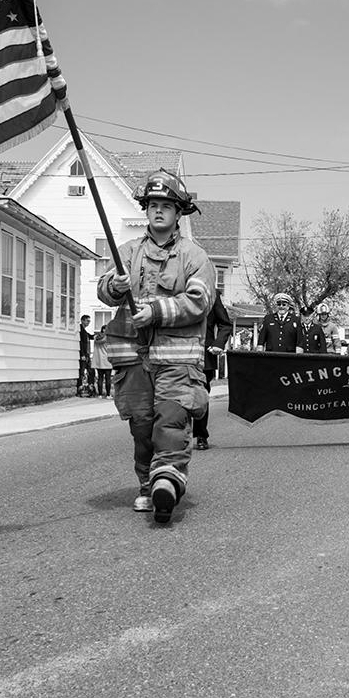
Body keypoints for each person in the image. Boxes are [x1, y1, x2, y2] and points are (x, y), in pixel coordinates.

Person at [97, 170, 213, 524]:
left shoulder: (195, 256)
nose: (158, 211)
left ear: (179, 213)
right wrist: (115, 287)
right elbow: (103, 290)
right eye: (152, 205)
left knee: (171, 421)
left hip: (177, 361)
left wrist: (157, 311)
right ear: (145, 211)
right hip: (133, 360)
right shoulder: (127, 253)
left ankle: (168, 479)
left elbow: (200, 300)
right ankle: (148, 484)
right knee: (142, 428)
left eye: (166, 206)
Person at [193, 297, 234, 451]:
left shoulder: (211, 293)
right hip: (176, 353)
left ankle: (201, 435)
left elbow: (225, 324)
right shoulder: (175, 286)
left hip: (205, 353)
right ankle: (175, 435)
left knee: (201, 397)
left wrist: (218, 343)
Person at [91, 325, 112, 396]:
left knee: (100, 378)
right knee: (108, 379)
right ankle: (108, 395)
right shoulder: (109, 339)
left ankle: (100, 394)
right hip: (107, 361)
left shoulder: (96, 338)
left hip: (98, 361)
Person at [78, 314, 95, 395]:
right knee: (82, 372)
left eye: (89, 321)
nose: (89, 323)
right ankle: (80, 388)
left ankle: (90, 387)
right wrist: (82, 354)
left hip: (87, 354)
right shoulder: (80, 330)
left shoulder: (84, 331)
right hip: (84, 354)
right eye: (87, 321)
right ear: (82, 320)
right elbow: (80, 343)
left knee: (91, 371)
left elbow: (90, 337)